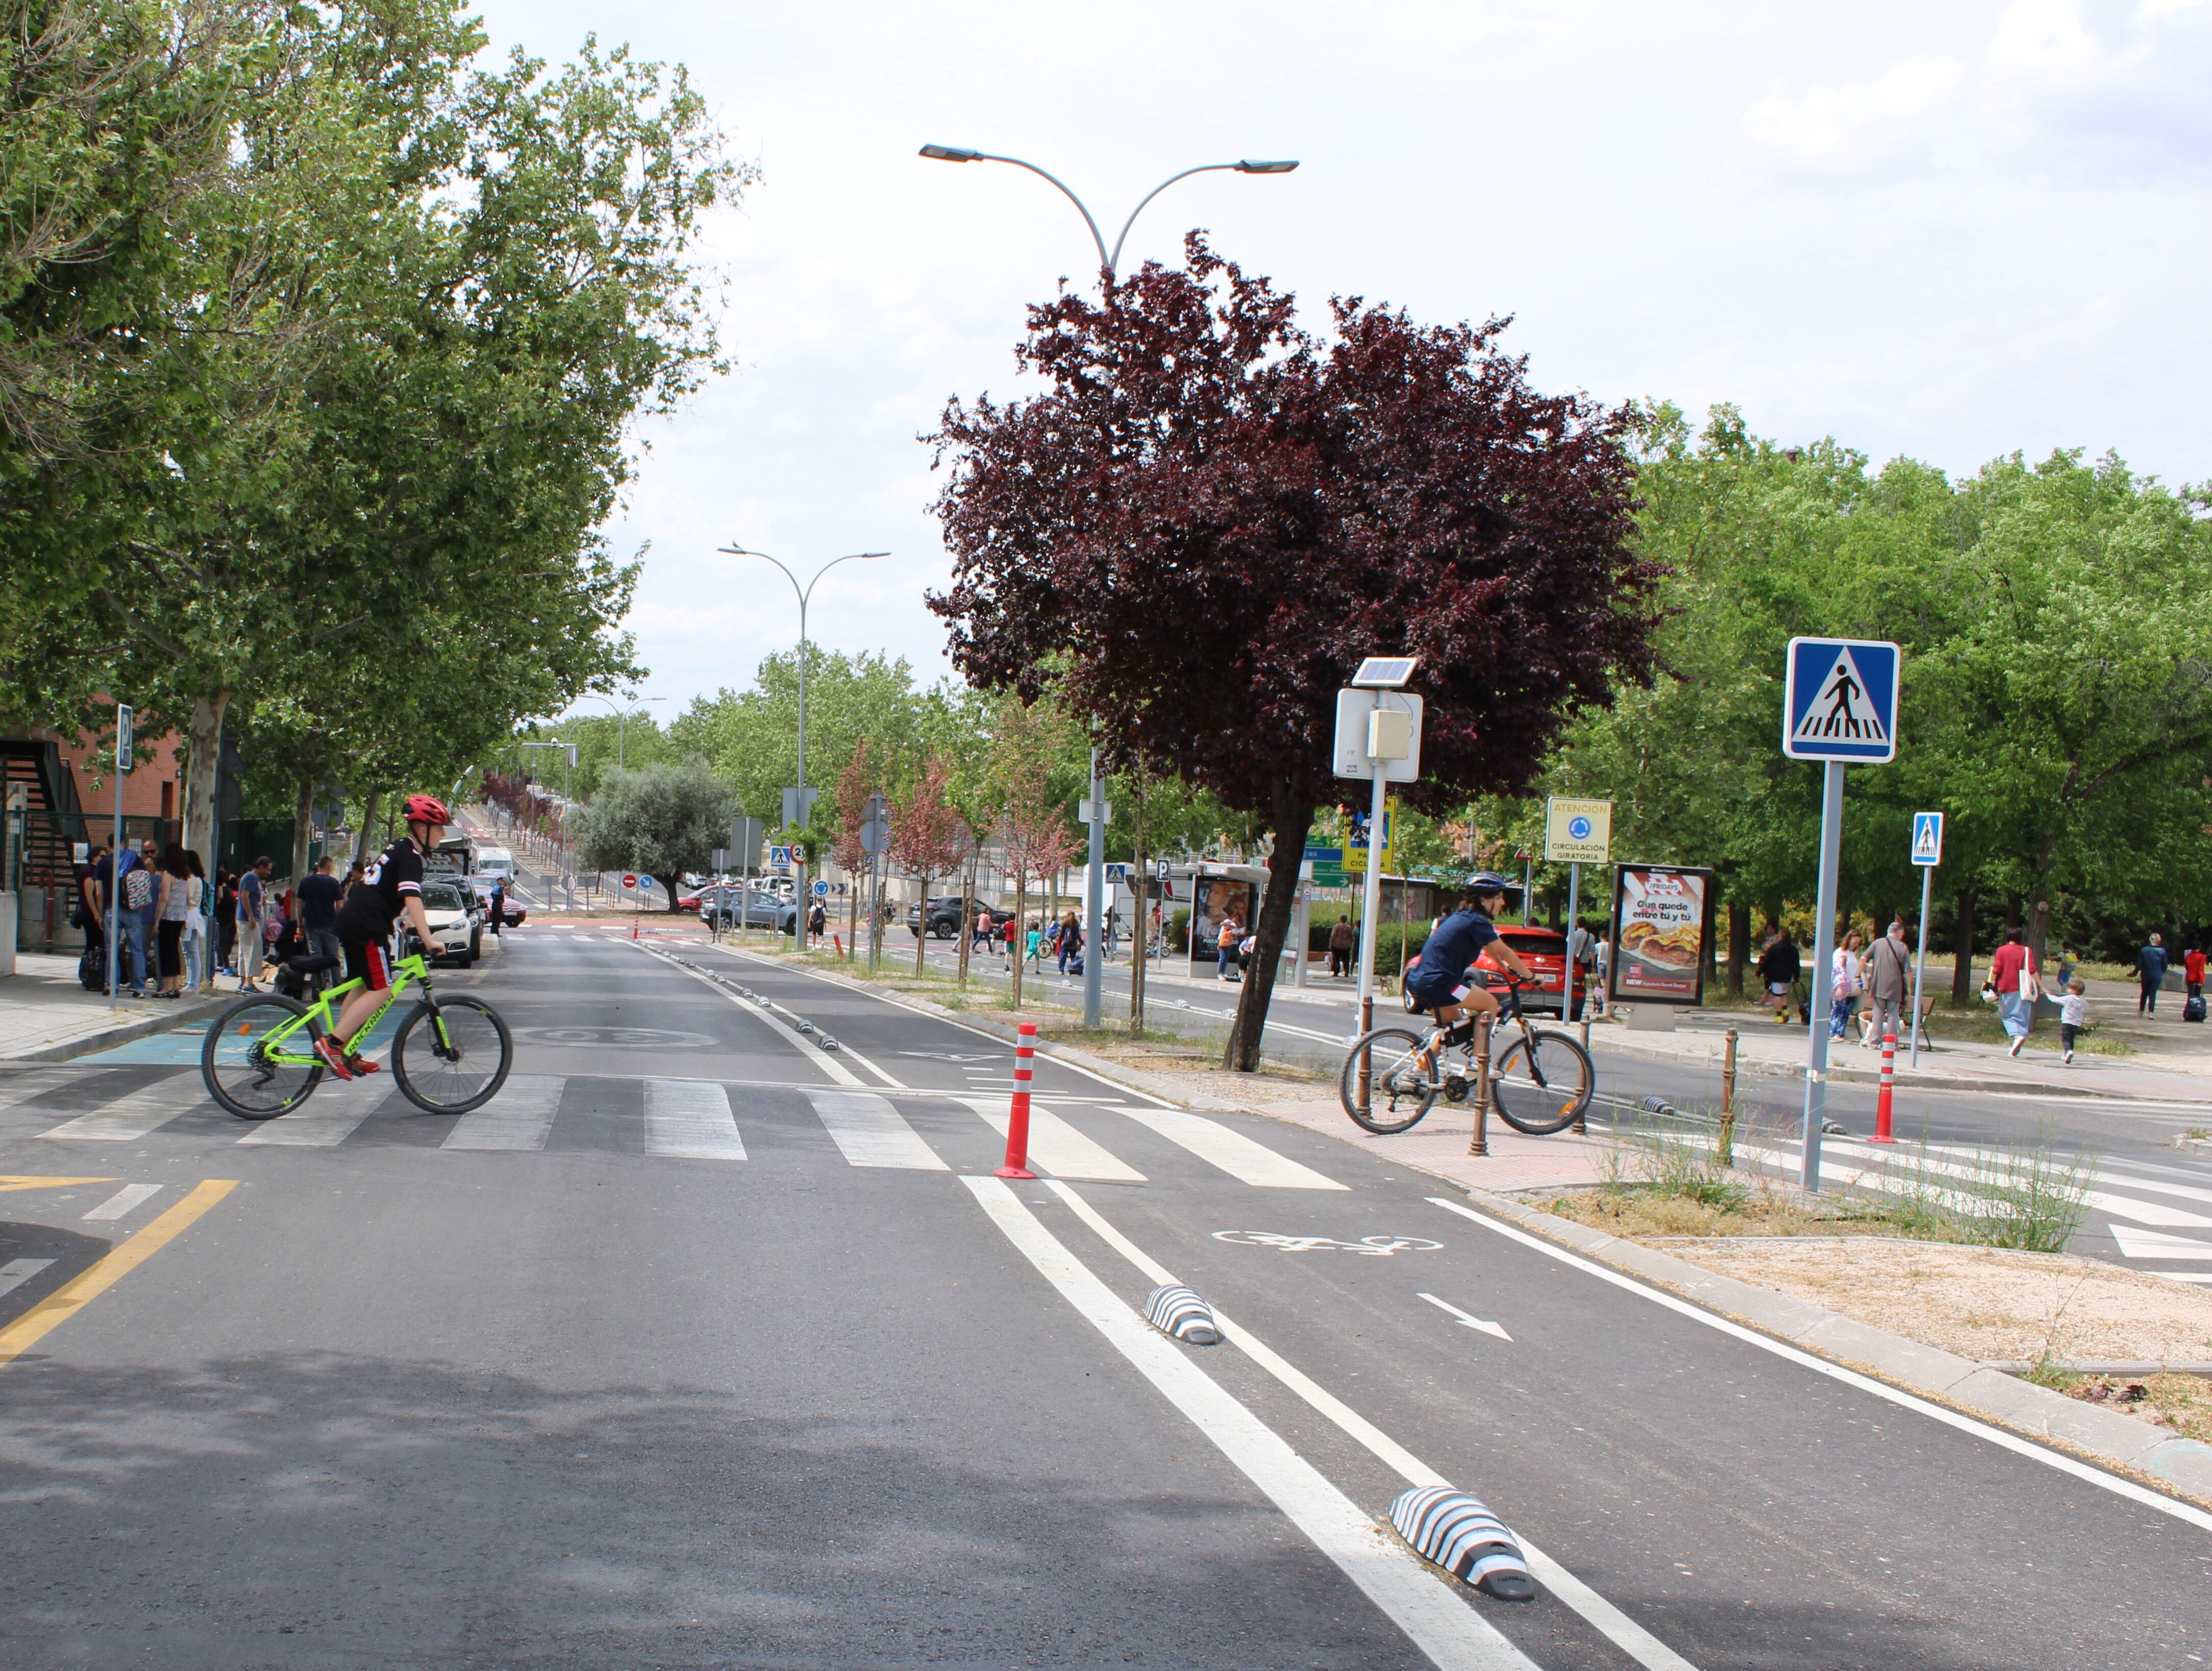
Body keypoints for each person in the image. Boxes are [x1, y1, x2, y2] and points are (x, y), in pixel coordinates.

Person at [318, 795, 450, 1079]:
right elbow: (411, 896)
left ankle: (347, 1049)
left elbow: (390, 891)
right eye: (440, 827)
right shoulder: (412, 857)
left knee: (364, 986)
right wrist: (429, 939)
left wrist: (404, 921)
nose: (444, 833)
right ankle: (334, 1045)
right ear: (423, 829)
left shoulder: (399, 849)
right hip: (368, 927)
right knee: (383, 989)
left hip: (356, 922)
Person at [1401, 876, 1535, 1052]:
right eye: (1498, 897)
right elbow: (1505, 951)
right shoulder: (1476, 921)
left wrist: (1503, 966)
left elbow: (1490, 948)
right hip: (1442, 983)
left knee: (1450, 1031)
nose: (1503, 902)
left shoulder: (1465, 918)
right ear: (1483, 900)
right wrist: (1531, 977)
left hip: (1421, 980)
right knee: (1490, 1005)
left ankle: (1415, 1073)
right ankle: (1478, 1063)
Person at [1989, 926, 2039, 1057]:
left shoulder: (2002, 950)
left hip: (2006, 986)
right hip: (2024, 987)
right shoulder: (2026, 950)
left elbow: (1997, 969)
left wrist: (1989, 983)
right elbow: (2032, 969)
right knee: (2022, 1014)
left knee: (2007, 1015)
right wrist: (2043, 986)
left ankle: (2017, 1036)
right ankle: (2020, 1037)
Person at [1862, 918, 1911, 1050]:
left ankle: (1875, 1041)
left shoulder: (1877, 943)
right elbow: (1908, 972)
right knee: (1893, 1015)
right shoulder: (1903, 948)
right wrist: (1910, 987)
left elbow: (1863, 958)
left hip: (1878, 985)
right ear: (1899, 932)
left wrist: (1860, 976)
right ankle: (1891, 1042)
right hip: (1895, 987)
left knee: (1877, 1014)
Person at [153, 843, 191, 997]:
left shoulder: (168, 875)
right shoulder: (185, 876)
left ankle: (167, 987)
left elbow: (164, 898)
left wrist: (157, 920)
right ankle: (175, 986)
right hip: (180, 917)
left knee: (166, 952)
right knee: (174, 951)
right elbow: (188, 897)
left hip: (168, 917)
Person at [296, 855, 345, 966]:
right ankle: (337, 982)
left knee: (315, 957)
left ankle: (318, 982)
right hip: (330, 924)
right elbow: (339, 907)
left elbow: (299, 906)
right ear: (328, 867)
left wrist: (300, 926)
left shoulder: (305, 882)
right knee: (333, 956)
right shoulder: (334, 883)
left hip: (311, 924)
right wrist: (339, 924)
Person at [236, 855, 272, 991]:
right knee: (252, 949)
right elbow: (245, 895)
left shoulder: (252, 878)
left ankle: (244, 980)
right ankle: (249, 983)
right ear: (261, 867)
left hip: (248, 918)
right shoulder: (251, 878)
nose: (269, 873)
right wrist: (251, 917)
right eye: (268, 870)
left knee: (245, 949)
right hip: (248, 919)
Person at [1756, 928, 1801, 1025]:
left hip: (1776, 974)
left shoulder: (1775, 948)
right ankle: (1785, 1010)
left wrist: (1759, 972)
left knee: (1778, 995)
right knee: (1784, 993)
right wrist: (1796, 978)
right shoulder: (1793, 949)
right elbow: (1797, 964)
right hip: (1787, 975)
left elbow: (1766, 962)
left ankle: (1779, 1015)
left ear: (1781, 937)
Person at [183, 851, 210, 993]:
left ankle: (194, 984)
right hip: (191, 914)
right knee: (188, 951)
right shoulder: (194, 878)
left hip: (191, 915)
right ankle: (191, 981)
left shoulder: (192, 879)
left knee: (192, 951)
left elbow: (188, 897)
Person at [1829, 929, 1863, 1040]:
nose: (1856, 945)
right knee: (1839, 1008)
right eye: (1855, 942)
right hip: (1842, 985)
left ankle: (1841, 1031)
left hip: (1852, 985)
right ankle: (1833, 1031)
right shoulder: (1840, 952)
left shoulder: (1852, 954)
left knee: (1847, 1009)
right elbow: (1838, 969)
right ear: (1849, 940)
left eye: (1858, 943)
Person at [2057, 979, 2090, 1066]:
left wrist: (2048, 995)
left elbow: (2056, 1000)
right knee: (2071, 1039)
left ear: (2073, 990)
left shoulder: (2069, 998)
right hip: (2076, 1024)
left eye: (2069, 988)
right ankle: (2068, 1054)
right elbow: (2087, 1009)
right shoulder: (2082, 1000)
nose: (2068, 990)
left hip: (2066, 1022)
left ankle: (2068, 1051)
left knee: (2065, 1039)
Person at [2136, 931, 2169, 1017]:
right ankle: (2151, 1012)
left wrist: (2135, 972)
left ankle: (2141, 1011)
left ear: (2150, 940)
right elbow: (2165, 965)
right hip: (2157, 974)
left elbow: (2140, 964)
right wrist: (2161, 971)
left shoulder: (2144, 950)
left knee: (2144, 992)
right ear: (2159, 941)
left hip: (2146, 974)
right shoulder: (2162, 952)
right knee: (2153, 993)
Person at [1215, 908, 1241, 981]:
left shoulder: (1235, 925)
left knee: (1226, 958)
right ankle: (1220, 973)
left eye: (1238, 919)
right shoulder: (1228, 922)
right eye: (1236, 918)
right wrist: (1232, 926)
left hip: (1228, 943)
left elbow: (1237, 932)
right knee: (1223, 958)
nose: (1236, 920)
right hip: (1223, 942)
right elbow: (1222, 924)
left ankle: (1222, 973)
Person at [1329, 914, 1355, 979]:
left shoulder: (1337, 926)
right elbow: (1351, 937)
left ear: (1340, 919)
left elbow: (1333, 936)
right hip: (1346, 946)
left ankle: (1336, 972)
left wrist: (1331, 944)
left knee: (1336, 959)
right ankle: (1346, 971)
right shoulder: (1349, 927)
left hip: (1337, 945)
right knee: (1346, 959)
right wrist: (1350, 943)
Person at [2186, 941, 2207, 1005]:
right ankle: (2196, 1010)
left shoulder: (2188, 957)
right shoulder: (2202, 957)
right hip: (2198, 979)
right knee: (2197, 997)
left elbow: (2187, 967)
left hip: (2189, 978)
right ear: (2199, 947)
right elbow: (2201, 969)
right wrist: (2202, 981)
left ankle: (2190, 1008)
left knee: (2190, 996)